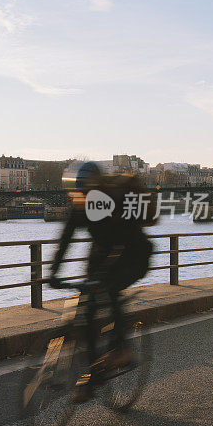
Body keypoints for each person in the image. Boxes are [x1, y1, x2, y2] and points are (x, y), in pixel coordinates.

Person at [48, 161, 154, 402]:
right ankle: (91, 373)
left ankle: (122, 349)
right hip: (103, 253)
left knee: (109, 289)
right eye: (78, 193)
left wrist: (101, 277)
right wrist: (53, 272)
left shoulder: (113, 201)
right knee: (85, 308)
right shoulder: (79, 206)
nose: (82, 198)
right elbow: (65, 240)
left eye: (85, 193)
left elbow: (123, 240)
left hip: (133, 253)